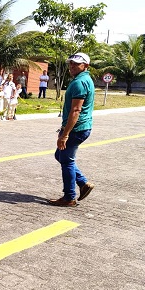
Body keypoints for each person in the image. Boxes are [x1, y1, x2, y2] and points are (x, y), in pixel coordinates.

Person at [48, 52, 95, 207]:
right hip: (82, 127)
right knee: (60, 155)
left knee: (66, 160)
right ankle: (82, 183)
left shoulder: (79, 83)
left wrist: (65, 134)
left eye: (76, 63)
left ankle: (69, 198)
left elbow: (76, 110)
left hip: (76, 129)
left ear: (86, 66)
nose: (72, 66)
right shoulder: (86, 79)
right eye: (71, 63)